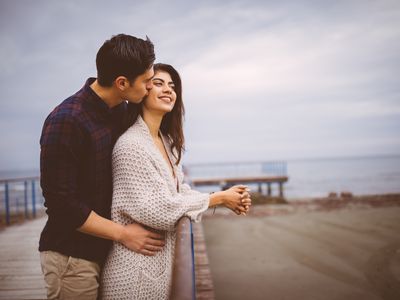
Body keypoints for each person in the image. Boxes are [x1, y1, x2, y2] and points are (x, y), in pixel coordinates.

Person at [100, 63, 252, 299]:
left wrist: (226, 197)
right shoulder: (130, 145)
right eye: (158, 84)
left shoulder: (167, 142)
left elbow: (179, 192)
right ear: (143, 92)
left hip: (157, 268)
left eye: (172, 86)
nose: (168, 90)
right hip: (133, 277)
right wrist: (219, 198)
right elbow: (159, 209)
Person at [39, 34, 166, 300]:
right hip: (72, 258)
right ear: (122, 83)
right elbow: (62, 205)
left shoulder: (119, 111)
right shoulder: (67, 120)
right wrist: (123, 234)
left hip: (107, 252)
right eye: (145, 82)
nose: (148, 89)